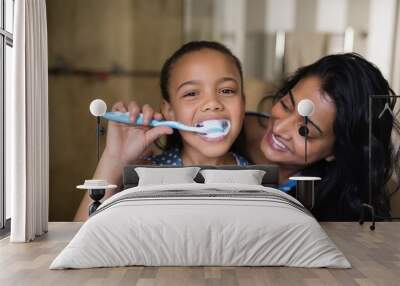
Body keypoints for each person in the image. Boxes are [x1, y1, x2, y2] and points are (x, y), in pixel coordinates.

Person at [74, 41, 248, 221]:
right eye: (191, 93)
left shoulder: (262, 182)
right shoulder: (144, 179)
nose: (212, 103)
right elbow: (77, 241)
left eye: (227, 90)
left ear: (243, 105)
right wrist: (114, 159)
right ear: (169, 111)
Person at [237, 53, 399, 220]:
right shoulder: (226, 134)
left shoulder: (336, 206)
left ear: (336, 151)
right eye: (286, 105)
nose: (279, 128)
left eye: (305, 131)